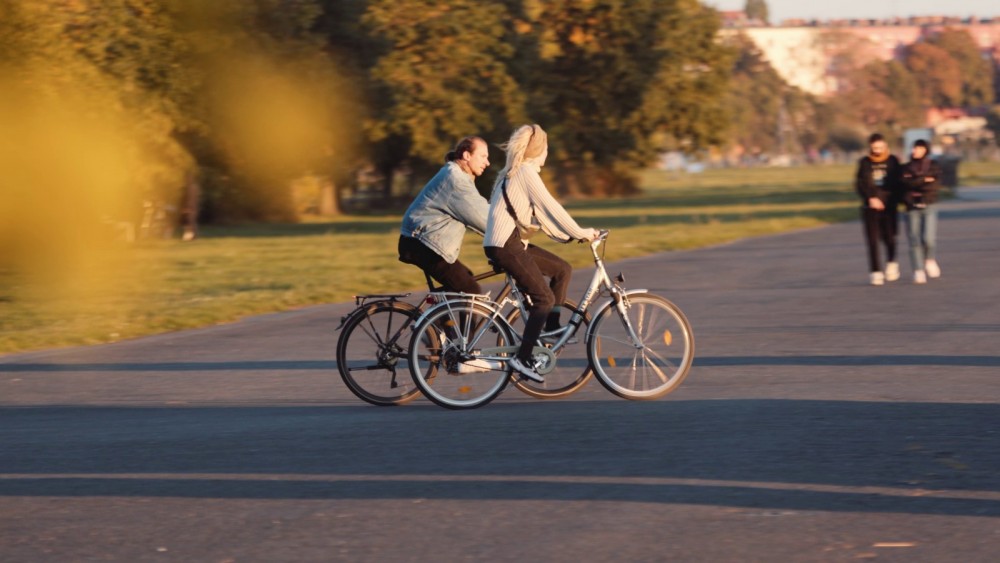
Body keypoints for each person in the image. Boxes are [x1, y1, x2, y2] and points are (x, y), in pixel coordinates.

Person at [483, 124, 600, 382]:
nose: (548, 151)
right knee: (544, 299)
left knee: (562, 269)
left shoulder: (515, 172)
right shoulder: (525, 172)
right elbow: (552, 207)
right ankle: (522, 358)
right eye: (546, 147)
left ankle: (551, 326)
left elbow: (541, 215)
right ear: (539, 150)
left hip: (509, 243)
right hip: (506, 245)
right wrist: (580, 231)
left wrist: (568, 235)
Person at [398, 136, 490, 294]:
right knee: (470, 289)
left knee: (464, 280)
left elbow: (477, 212)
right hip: (422, 244)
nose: (487, 163)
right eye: (483, 156)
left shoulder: (455, 173)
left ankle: (442, 318)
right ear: (467, 156)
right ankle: (440, 318)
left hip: (420, 241)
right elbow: (484, 219)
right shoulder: (456, 180)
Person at [855, 133, 902, 286]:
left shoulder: (893, 161)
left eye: (880, 148)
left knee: (889, 237)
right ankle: (875, 271)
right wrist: (871, 198)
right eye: (875, 148)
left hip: (889, 206)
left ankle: (891, 261)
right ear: (870, 147)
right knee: (872, 240)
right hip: (870, 206)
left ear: (886, 146)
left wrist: (888, 199)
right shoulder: (865, 163)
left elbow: (898, 183)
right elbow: (860, 183)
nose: (878, 151)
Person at [900, 139, 942, 284]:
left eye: (918, 148)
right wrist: (924, 180)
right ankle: (918, 270)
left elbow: (934, 186)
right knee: (914, 239)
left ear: (925, 150)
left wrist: (916, 182)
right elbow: (905, 184)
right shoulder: (905, 167)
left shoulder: (933, 166)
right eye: (914, 148)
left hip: (929, 204)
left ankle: (929, 259)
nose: (915, 151)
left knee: (928, 238)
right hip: (911, 206)